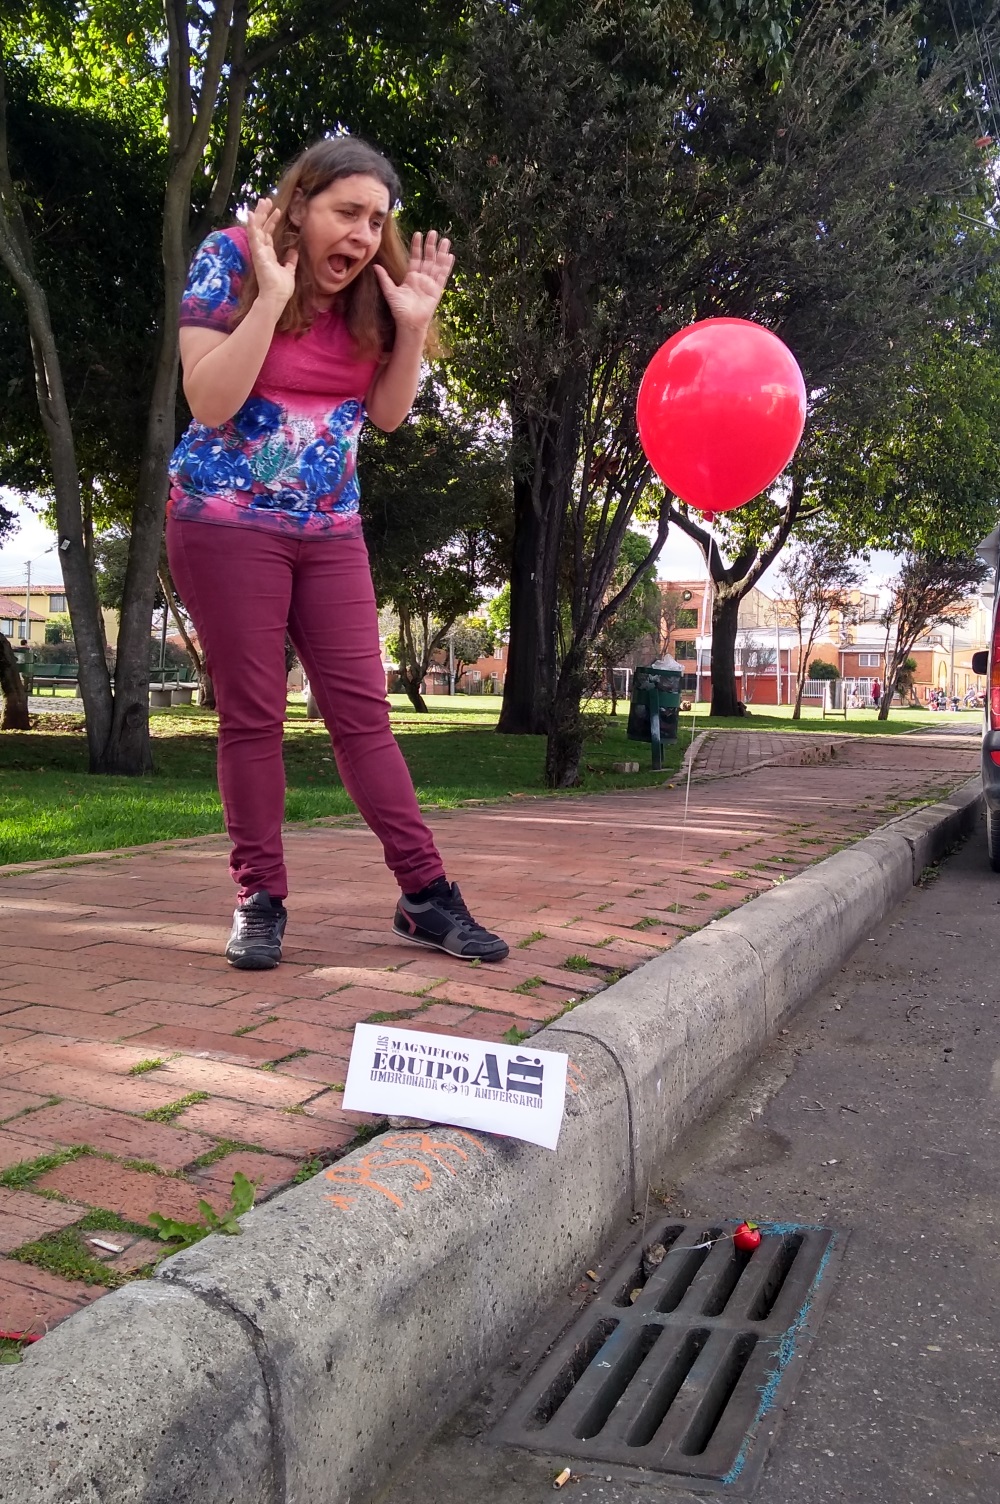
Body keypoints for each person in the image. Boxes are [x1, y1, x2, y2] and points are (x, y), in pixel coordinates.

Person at [166, 136, 509, 971]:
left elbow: (386, 416)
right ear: (300, 206)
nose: (359, 235)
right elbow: (209, 399)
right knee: (253, 717)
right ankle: (260, 896)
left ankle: (425, 895)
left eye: (376, 220)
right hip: (222, 523)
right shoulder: (231, 260)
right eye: (345, 212)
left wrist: (415, 328)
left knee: (364, 716)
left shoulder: (373, 298)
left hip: (330, 532)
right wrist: (269, 297)